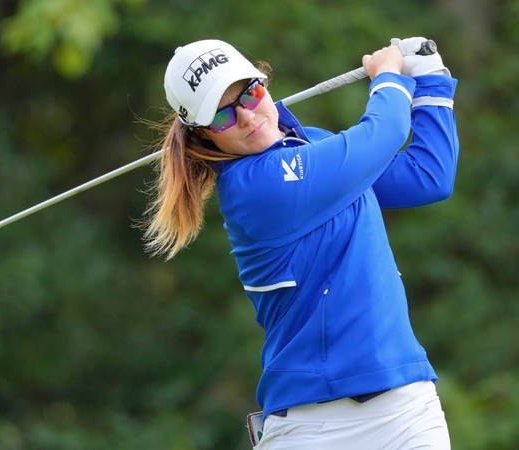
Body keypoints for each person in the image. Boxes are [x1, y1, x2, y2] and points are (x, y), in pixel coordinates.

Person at [141, 38, 459, 449]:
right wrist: (387, 75)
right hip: (313, 427)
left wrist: (431, 77)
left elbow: (427, 175)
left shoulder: (315, 145)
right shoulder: (254, 187)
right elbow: (384, 132)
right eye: (221, 115)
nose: (245, 117)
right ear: (203, 136)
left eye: (249, 94)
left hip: (407, 409)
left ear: (263, 82)